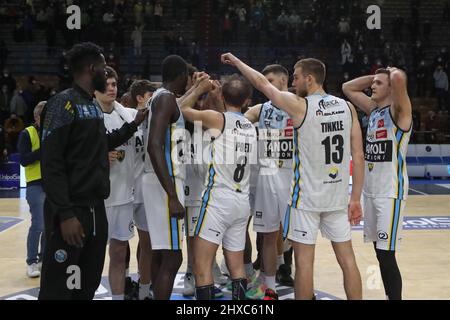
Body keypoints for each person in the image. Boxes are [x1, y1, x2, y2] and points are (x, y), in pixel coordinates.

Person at [222, 53, 364, 300]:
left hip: (306, 199)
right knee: (348, 260)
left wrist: (236, 62)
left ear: (310, 79)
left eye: (296, 78)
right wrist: (356, 198)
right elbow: (359, 156)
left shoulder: (301, 106)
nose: (294, 83)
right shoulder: (347, 107)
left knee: (304, 262)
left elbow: (261, 84)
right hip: (337, 197)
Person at [38, 42, 147, 300]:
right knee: (59, 287)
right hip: (72, 211)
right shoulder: (62, 104)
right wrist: (65, 214)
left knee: (87, 283)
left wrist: (133, 125)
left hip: (96, 208)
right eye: (102, 66)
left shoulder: (91, 105)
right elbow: (51, 164)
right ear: (91, 68)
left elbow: (102, 143)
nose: (107, 70)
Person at [180, 74, 257, 300]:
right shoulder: (251, 127)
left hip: (218, 199)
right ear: (247, 101)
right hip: (242, 202)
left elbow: (182, 108)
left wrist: (198, 88)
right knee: (237, 268)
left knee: (202, 266)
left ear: (222, 96)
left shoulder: (217, 119)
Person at [343, 67, 413, 300]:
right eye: (372, 83)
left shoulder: (399, 112)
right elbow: (347, 87)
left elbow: (400, 80)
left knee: (386, 254)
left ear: (392, 89)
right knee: (379, 252)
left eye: (378, 84)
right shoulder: (374, 110)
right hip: (371, 192)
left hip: (389, 193)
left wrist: (391, 74)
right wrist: (377, 75)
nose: (372, 86)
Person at [243, 64, 294, 300]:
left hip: (292, 178)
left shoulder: (298, 104)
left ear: (284, 81)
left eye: (271, 81)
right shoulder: (260, 109)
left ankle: (302, 282)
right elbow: (239, 120)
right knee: (267, 235)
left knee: (297, 237)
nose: (267, 85)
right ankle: (269, 288)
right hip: (266, 178)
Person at [142, 55, 188, 300]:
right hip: (165, 183)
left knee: (161, 253)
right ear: (181, 74)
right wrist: (172, 195)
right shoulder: (166, 98)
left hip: (159, 181)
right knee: (173, 256)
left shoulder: (159, 98)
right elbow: (154, 145)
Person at [94, 66, 138, 300]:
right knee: (92, 257)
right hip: (97, 199)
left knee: (119, 254)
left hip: (124, 198)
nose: (112, 88)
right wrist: (98, 157)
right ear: (95, 89)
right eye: (107, 84)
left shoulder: (127, 114)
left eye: (114, 84)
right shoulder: (88, 116)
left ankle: (118, 298)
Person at [129, 79, 157, 300]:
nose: (154, 97)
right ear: (140, 97)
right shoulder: (127, 117)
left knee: (146, 243)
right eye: (151, 94)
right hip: (123, 190)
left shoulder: (156, 118)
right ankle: (127, 284)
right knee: (119, 245)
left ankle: (144, 289)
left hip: (145, 190)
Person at [18, 101, 46, 278]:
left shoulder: (54, 133)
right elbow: (24, 159)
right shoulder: (27, 133)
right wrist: (43, 151)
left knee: (51, 225)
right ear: (36, 117)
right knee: (39, 224)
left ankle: (44, 259)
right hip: (35, 183)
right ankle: (31, 261)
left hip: (53, 183)